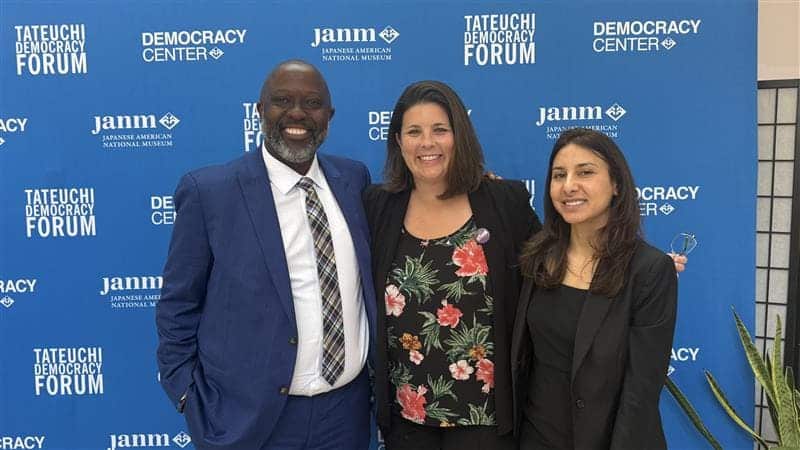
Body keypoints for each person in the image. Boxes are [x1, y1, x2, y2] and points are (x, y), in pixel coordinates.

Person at [156, 60, 377, 450]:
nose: (296, 113)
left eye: (312, 103)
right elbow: (178, 304)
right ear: (259, 111)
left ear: (329, 116)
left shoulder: (353, 180)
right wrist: (187, 396)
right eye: (281, 101)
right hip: (252, 420)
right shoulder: (210, 193)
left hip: (348, 414)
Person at [364, 80, 540, 449]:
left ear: (459, 135)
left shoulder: (503, 201)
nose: (427, 143)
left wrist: (632, 264)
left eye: (439, 130)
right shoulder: (378, 206)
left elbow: (552, 265)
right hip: (406, 420)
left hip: (486, 420)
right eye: (414, 132)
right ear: (399, 142)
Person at [511, 128, 678, 449]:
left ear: (616, 184)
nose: (569, 185)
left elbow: (640, 392)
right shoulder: (537, 257)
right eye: (559, 175)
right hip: (537, 437)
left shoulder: (649, 270)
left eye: (585, 172)